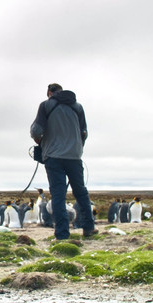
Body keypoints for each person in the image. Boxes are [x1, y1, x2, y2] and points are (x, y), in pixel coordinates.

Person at [30, 83, 96, 239]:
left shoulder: (46, 105)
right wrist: (77, 148)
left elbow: (36, 130)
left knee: (58, 195)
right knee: (81, 192)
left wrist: (40, 141)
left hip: (53, 157)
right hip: (74, 157)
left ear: (49, 92)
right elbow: (84, 132)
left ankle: (62, 233)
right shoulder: (77, 107)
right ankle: (89, 227)